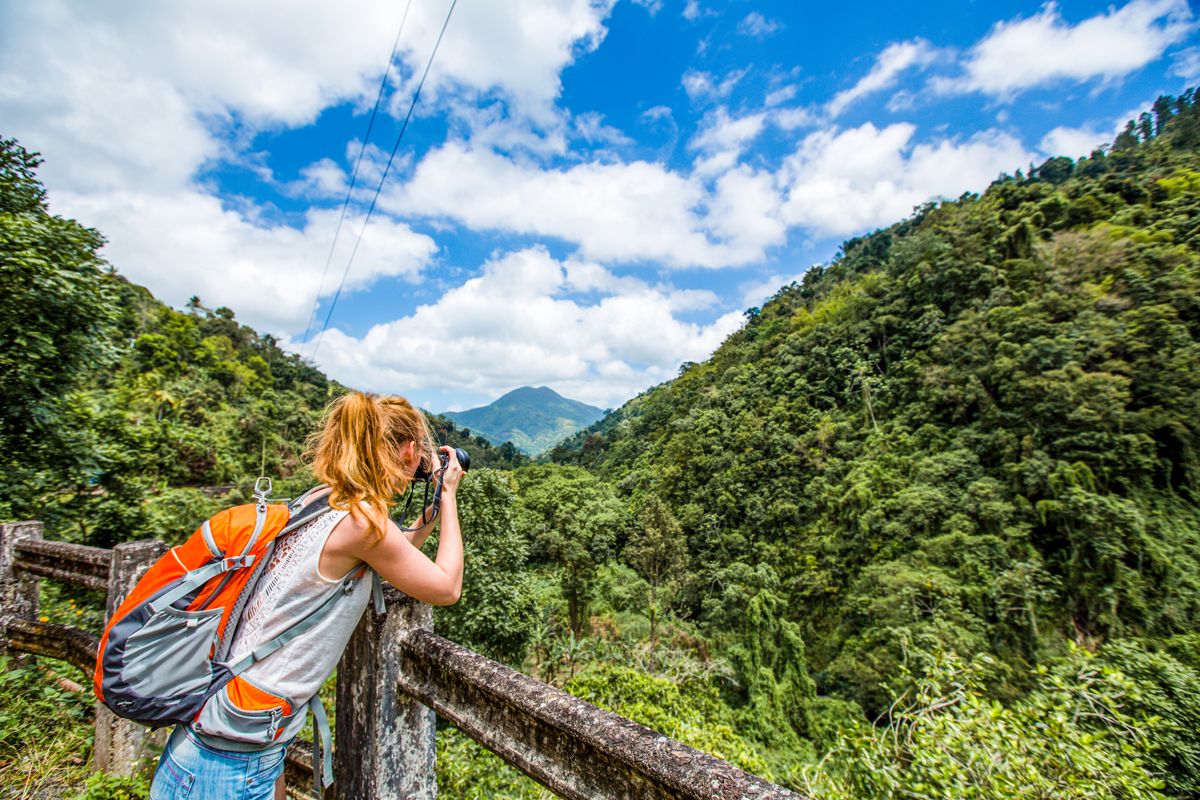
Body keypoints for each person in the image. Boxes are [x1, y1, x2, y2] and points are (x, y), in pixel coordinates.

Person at [148, 391, 465, 800]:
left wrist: (431, 507)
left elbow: (395, 553)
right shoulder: (364, 525)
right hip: (229, 762)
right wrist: (450, 494)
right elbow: (446, 586)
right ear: (407, 451)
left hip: (222, 737)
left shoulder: (322, 501)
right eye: (418, 452)